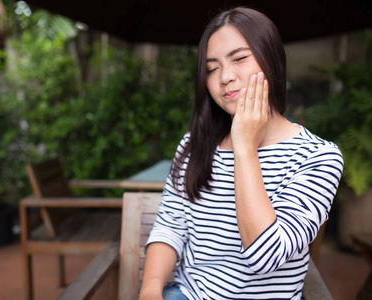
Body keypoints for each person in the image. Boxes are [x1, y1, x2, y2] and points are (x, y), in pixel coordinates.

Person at [139, 7, 344, 300]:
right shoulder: (194, 144)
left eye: (239, 59)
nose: (225, 77)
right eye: (212, 68)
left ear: (271, 59)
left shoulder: (318, 157)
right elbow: (171, 225)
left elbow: (265, 257)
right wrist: (150, 289)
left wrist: (245, 147)